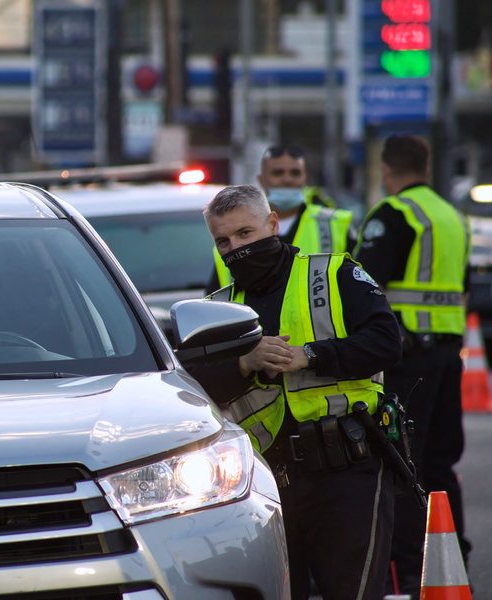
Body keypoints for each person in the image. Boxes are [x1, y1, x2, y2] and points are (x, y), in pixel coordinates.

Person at [185, 184, 402, 600]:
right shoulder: (218, 308)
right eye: (223, 241)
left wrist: (311, 355)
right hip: (267, 486)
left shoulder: (334, 273)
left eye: (246, 234)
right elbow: (193, 390)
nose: (236, 249)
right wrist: (245, 365)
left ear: (273, 223)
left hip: (348, 470)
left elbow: (386, 343)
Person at [353, 134, 471, 598]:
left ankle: (406, 572)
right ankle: (452, 562)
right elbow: (461, 287)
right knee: (442, 465)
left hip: (407, 360)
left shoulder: (394, 214)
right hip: (448, 355)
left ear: (386, 169)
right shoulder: (452, 216)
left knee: (403, 466)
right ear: (425, 165)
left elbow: (361, 286)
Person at [208, 144, 355, 291]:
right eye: (278, 173)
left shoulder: (335, 224)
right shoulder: (229, 238)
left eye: (295, 173)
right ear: (261, 179)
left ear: (305, 178)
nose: (287, 179)